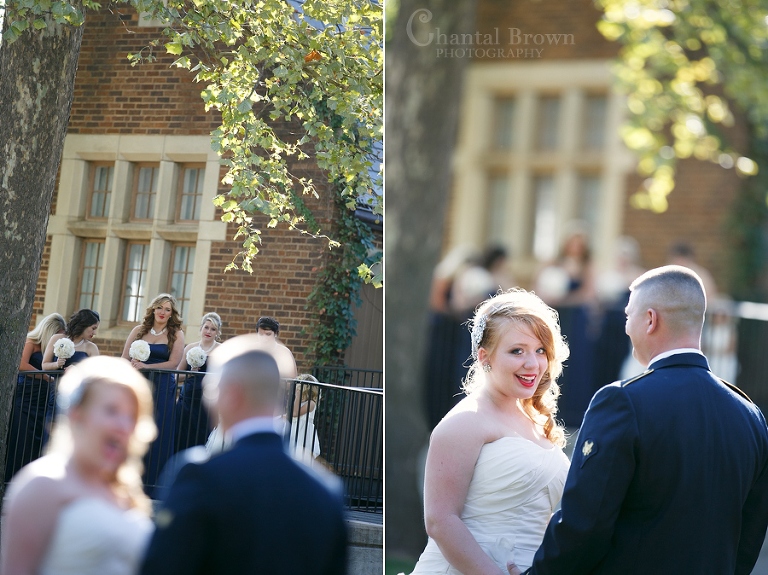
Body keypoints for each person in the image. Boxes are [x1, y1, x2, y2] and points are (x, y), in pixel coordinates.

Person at [515, 265, 768, 575]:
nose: (625, 327)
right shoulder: (751, 416)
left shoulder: (622, 402)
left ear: (650, 320)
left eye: (627, 316)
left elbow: (585, 524)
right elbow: (750, 533)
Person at [139, 335, 348, 575]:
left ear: (232, 394)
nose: (210, 401)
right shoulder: (327, 490)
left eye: (212, 390)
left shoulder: (198, 475)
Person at [409, 289, 571, 575]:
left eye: (540, 350)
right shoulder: (465, 422)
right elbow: (440, 520)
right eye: (517, 351)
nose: (532, 364)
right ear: (485, 357)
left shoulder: (533, 419)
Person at [1, 356, 157, 575]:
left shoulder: (127, 492)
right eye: (111, 410)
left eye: (132, 416)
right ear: (77, 414)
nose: (124, 426)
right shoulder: (42, 484)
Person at [121, 293, 185, 490]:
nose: (163, 312)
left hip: (163, 387)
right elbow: (124, 357)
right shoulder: (139, 331)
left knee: (160, 431)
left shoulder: (176, 334)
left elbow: (174, 363)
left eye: (167, 309)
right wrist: (132, 366)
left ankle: (156, 484)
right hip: (139, 387)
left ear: (172, 313)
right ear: (153, 309)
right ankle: (129, 481)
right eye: (160, 308)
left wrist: (146, 367)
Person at [5, 313, 66, 483]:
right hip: (25, 397)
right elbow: (21, 365)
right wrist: (45, 377)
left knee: (36, 441)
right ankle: (13, 479)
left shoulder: (51, 349)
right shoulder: (31, 343)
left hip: (41, 398)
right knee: (22, 438)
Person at [175, 312, 222, 451]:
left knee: (201, 440)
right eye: (206, 327)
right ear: (201, 328)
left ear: (217, 332)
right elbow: (177, 376)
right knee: (181, 439)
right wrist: (190, 373)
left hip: (207, 403)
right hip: (187, 402)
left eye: (213, 329)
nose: (208, 331)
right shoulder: (190, 348)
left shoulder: (221, 350)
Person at [285, 373, 322, 463]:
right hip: (294, 429)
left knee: (300, 457)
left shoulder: (311, 403)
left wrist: (297, 397)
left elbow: (295, 413)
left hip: (303, 432)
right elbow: (290, 414)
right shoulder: (298, 402)